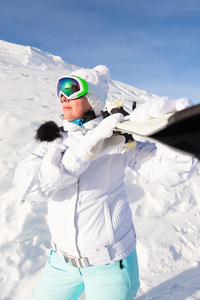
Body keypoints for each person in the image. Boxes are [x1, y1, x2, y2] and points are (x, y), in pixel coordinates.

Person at [14, 65, 196, 300]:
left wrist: (176, 136)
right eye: (60, 89)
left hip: (110, 265)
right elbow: (30, 186)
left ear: (93, 98)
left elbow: (169, 173)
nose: (62, 96)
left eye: (70, 88)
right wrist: (79, 154)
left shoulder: (117, 138)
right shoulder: (55, 142)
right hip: (61, 264)